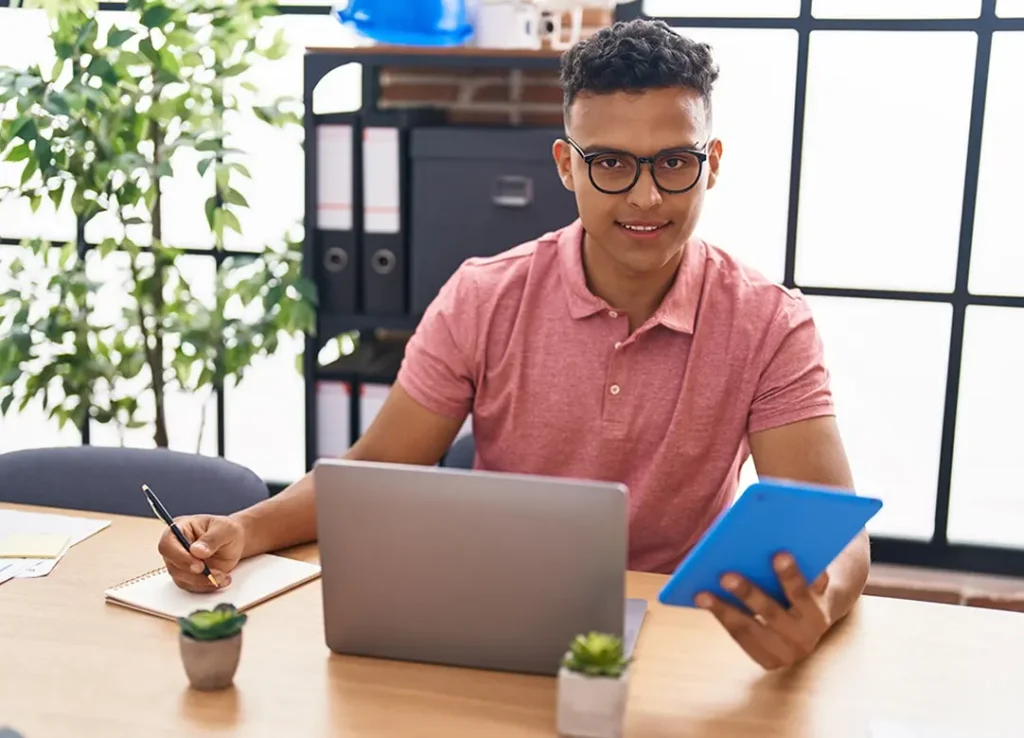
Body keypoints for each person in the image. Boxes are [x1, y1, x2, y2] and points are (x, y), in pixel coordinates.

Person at [158, 18, 871, 671]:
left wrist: (820, 602)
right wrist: (243, 530)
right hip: (505, 624)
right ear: (566, 165)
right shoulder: (484, 296)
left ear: (711, 163)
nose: (646, 197)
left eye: (674, 163)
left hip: (684, 639)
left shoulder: (770, 323)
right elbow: (371, 469)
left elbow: (839, 534)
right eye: (611, 163)